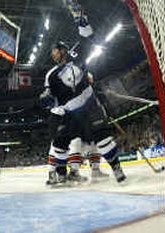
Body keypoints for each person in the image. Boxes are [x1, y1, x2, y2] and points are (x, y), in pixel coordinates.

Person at [40, 41, 126, 185]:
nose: (52, 54)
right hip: (70, 113)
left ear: (63, 50)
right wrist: (46, 98)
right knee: (61, 144)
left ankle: (116, 168)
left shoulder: (79, 62)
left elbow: (90, 73)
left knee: (102, 138)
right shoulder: (51, 75)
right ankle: (62, 175)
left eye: (55, 50)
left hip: (90, 107)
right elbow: (50, 95)